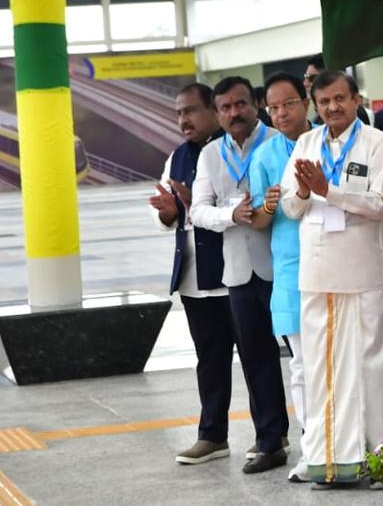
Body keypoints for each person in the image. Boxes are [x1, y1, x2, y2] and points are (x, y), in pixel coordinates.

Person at [280, 71, 383, 489]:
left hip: (363, 268)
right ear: (315, 104)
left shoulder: (376, 142)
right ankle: (329, 460)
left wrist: (327, 188)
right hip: (317, 270)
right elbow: (291, 207)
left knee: (374, 366)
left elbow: (377, 204)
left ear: (356, 100)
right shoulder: (305, 143)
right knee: (321, 367)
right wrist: (303, 192)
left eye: (340, 98)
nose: (332, 107)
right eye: (324, 101)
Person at [189, 76, 290, 474]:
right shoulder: (211, 155)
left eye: (242, 104)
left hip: (285, 262)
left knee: (306, 355)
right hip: (240, 273)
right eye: (226, 107)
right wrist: (231, 215)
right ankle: (271, 439)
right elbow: (198, 210)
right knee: (256, 357)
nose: (235, 113)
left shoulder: (278, 142)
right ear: (217, 113)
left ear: (257, 104)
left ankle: (324, 436)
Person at [148, 83, 232, 466]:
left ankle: (272, 436)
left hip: (235, 272)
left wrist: (194, 203)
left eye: (192, 111)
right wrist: (168, 210)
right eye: (179, 113)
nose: (184, 120)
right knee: (209, 360)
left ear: (214, 111)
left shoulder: (233, 150)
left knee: (257, 357)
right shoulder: (177, 157)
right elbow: (164, 215)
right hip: (195, 277)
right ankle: (212, 436)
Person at [246, 73, 313, 481]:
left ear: (306, 102)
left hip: (337, 263)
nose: (282, 113)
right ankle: (314, 447)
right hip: (290, 269)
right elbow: (256, 220)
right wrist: (268, 206)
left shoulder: (327, 142)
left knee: (342, 362)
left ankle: (352, 441)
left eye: (288, 103)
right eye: (273, 107)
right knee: (302, 365)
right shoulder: (266, 155)